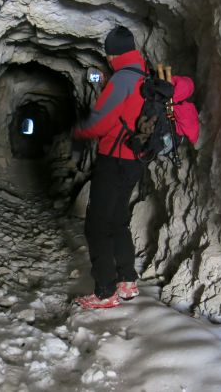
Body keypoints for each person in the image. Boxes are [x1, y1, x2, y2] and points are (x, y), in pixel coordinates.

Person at [73, 25, 147, 309]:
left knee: (97, 225)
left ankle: (105, 292)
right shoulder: (143, 76)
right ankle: (127, 281)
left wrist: (79, 131)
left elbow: (101, 122)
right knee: (118, 219)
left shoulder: (121, 79)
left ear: (113, 54)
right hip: (135, 162)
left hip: (114, 159)